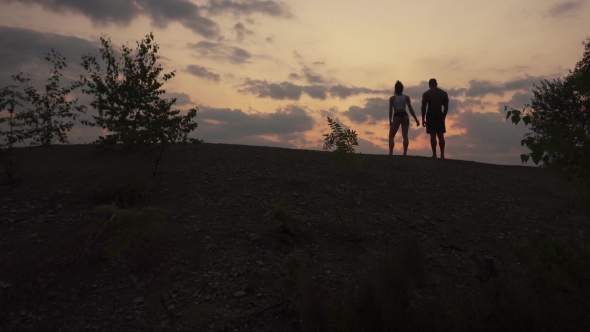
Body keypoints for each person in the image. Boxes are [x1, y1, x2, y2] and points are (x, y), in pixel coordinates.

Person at [389, 81, 420, 156]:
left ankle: (391, 153)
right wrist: (416, 119)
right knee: (405, 136)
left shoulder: (392, 98)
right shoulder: (406, 97)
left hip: (397, 115)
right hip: (405, 115)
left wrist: (390, 121)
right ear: (402, 89)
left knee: (391, 136)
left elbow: (391, 110)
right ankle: (405, 153)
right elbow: (410, 109)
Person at [421, 78, 449, 159]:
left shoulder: (427, 93)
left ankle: (434, 154)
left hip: (430, 114)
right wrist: (444, 116)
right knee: (441, 135)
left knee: (432, 135)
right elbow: (446, 106)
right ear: (436, 84)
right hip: (439, 114)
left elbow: (423, 107)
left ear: (429, 85)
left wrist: (423, 118)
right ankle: (442, 154)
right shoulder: (443, 93)